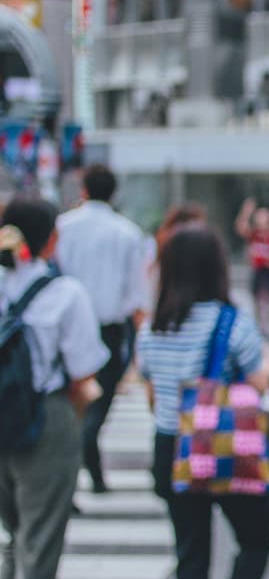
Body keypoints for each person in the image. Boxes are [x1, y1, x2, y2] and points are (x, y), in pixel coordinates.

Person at [136, 224, 269, 579]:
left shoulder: (152, 326)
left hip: (172, 448)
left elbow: (153, 393)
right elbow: (258, 384)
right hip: (224, 450)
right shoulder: (230, 321)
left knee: (191, 554)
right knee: (255, 540)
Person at [0, 197, 107, 579]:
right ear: (49, 240)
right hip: (46, 421)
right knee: (39, 550)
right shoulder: (64, 293)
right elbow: (85, 369)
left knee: (12, 538)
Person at [55, 164, 149, 495]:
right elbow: (138, 294)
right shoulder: (127, 232)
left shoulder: (63, 227)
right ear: (113, 194)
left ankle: (76, 474)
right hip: (108, 329)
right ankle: (89, 466)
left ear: (83, 189)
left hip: (62, 327)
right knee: (98, 402)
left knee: (70, 405)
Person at [235, 199, 269, 337]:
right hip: (258, 270)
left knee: (268, 299)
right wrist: (246, 212)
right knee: (256, 299)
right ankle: (258, 326)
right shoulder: (255, 235)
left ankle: (268, 327)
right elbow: (241, 228)